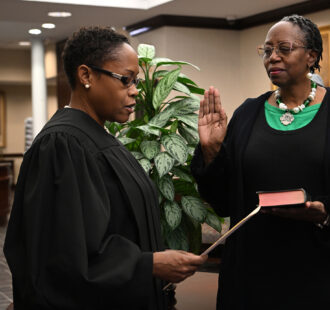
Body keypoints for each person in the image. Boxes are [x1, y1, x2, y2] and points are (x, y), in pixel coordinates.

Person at [191, 14, 330, 310]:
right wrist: (211, 151)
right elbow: (224, 202)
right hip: (256, 273)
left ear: (311, 56)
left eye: (284, 48)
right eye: (267, 50)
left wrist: (327, 212)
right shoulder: (247, 114)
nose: (273, 57)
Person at [4, 26, 207, 310]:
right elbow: (62, 253)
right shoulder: (62, 145)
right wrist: (148, 264)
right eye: (125, 80)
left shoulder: (99, 137)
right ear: (86, 75)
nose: (135, 91)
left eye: (136, 81)